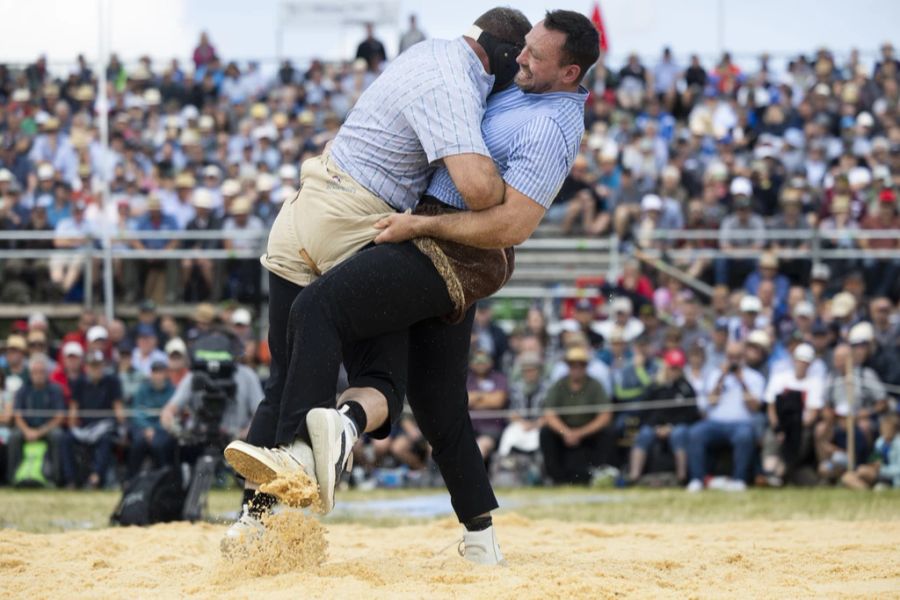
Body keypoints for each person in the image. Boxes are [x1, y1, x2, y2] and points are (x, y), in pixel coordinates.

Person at [225, 10, 598, 565]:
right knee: (438, 401)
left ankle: (304, 459)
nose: (522, 57)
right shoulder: (519, 89)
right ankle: (480, 538)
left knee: (318, 309)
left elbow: (513, 225)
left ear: (569, 73)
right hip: (428, 233)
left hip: (449, 249)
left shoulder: (551, 125)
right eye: (522, 49)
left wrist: (420, 224)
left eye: (535, 55)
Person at [687, 341, 765, 492]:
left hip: (741, 424)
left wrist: (742, 381)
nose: (733, 360)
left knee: (744, 436)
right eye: (730, 356)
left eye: (737, 356)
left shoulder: (754, 377)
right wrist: (721, 378)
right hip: (714, 423)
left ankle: (739, 480)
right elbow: (710, 402)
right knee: (695, 432)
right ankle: (697, 479)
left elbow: (754, 407)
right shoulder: (715, 374)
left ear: (743, 356)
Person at [540, 346, 616, 484]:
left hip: (589, 431)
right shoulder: (559, 385)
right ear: (568, 367)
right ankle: (555, 477)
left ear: (585, 367)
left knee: (608, 432)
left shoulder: (595, 385)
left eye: (580, 365)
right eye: (573, 365)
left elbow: (605, 415)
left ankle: (599, 472)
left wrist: (580, 433)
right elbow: (549, 414)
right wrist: (565, 432)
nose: (576, 369)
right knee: (545, 433)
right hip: (564, 431)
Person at [628, 348, 698, 484]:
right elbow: (645, 410)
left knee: (679, 434)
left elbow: (690, 414)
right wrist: (656, 426)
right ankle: (634, 476)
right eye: (672, 367)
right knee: (643, 434)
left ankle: (681, 477)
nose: (674, 371)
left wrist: (670, 427)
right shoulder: (655, 386)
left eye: (677, 368)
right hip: (654, 426)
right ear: (666, 366)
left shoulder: (686, 388)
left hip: (677, 427)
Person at [761, 343, 823, 486]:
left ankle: (777, 476)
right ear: (793, 360)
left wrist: (792, 428)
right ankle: (770, 474)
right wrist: (778, 428)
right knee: (771, 439)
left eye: (805, 362)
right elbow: (771, 408)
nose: (802, 365)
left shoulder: (815, 382)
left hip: (800, 428)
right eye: (800, 361)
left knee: (795, 443)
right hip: (779, 425)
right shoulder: (779, 378)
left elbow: (812, 415)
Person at [61, 351, 124, 488]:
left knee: (106, 440)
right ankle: (71, 480)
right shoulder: (79, 382)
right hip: (85, 427)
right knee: (66, 438)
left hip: (105, 426)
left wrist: (121, 423)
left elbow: (118, 409)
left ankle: (96, 478)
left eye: (98, 366)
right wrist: (72, 423)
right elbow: (73, 408)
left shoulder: (112, 382)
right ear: (86, 367)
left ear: (103, 366)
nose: (95, 369)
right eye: (92, 366)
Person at [8, 354, 66, 486]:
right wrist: (27, 431)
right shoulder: (23, 390)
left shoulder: (55, 389)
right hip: (27, 429)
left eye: (42, 372)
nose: (38, 375)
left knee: (58, 435)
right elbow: (17, 415)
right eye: (35, 372)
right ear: (30, 373)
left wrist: (39, 432)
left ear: (47, 373)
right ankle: (13, 477)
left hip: (47, 429)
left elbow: (59, 417)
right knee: (14, 436)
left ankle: (55, 479)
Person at [128, 360, 175, 478]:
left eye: (160, 372)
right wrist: (147, 428)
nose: (158, 375)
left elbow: (173, 414)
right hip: (143, 427)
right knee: (138, 444)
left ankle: (163, 478)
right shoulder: (143, 389)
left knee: (159, 445)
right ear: (151, 374)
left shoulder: (172, 390)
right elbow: (137, 412)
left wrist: (155, 429)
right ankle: (132, 479)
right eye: (155, 372)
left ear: (166, 374)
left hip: (163, 428)